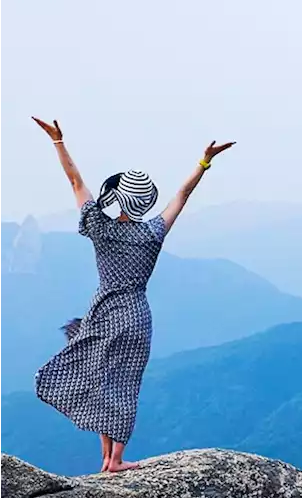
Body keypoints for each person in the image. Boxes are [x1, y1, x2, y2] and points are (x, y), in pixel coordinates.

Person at [30, 117, 235, 473]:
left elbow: (76, 181)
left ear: (119, 200)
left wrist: (58, 142)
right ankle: (116, 459)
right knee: (124, 384)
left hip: (103, 311)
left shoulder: (100, 228)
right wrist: (204, 161)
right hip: (136, 315)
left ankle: (106, 458)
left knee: (97, 377)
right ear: (143, 203)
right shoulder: (153, 233)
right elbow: (182, 196)